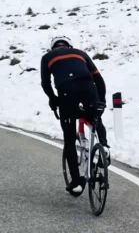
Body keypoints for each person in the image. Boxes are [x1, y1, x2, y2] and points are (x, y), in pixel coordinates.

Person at [40, 35, 110, 195]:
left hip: (66, 93)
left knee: (70, 139)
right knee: (95, 118)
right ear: (69, 46)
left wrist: (54, 99)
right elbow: (98, 78)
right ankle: (104, 147)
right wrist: (102, 101)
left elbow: (45, 83)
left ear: (53, 47)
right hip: (88, 88)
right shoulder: (80, 53)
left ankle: (77, 182)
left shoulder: (47, 57)